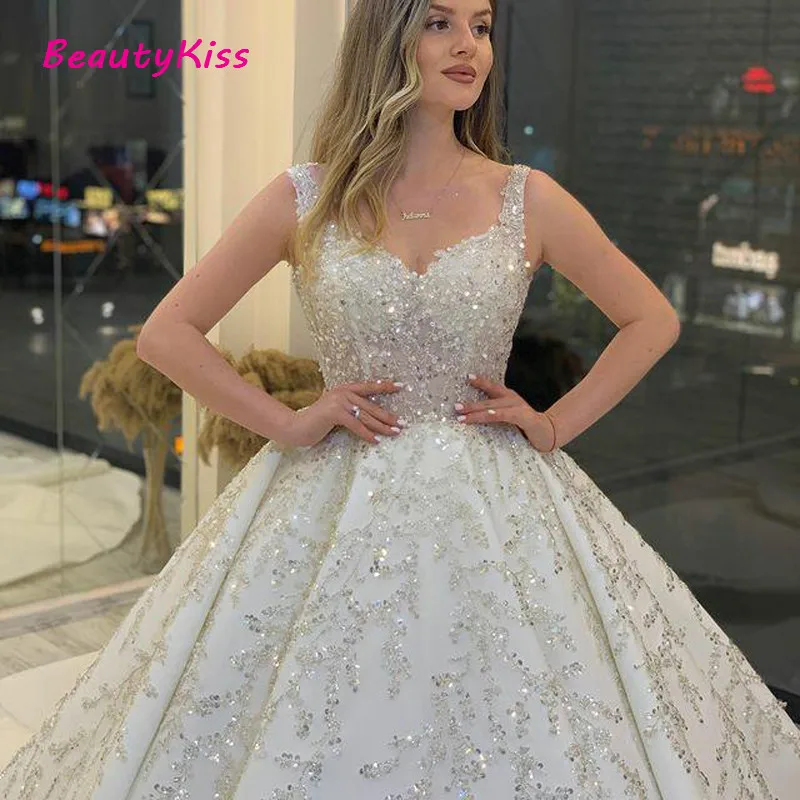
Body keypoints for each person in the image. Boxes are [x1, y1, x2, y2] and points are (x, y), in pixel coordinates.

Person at [2, 0, 799, 797]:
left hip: (495, 503)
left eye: (481, 26)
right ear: (388, 39)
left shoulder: (526, 197)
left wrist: (555, 425)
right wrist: (288, 422)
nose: (468, 46)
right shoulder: (306, 197)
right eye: (439, 23)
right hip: (332, 495)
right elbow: (167, 334)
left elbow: (651, 319)